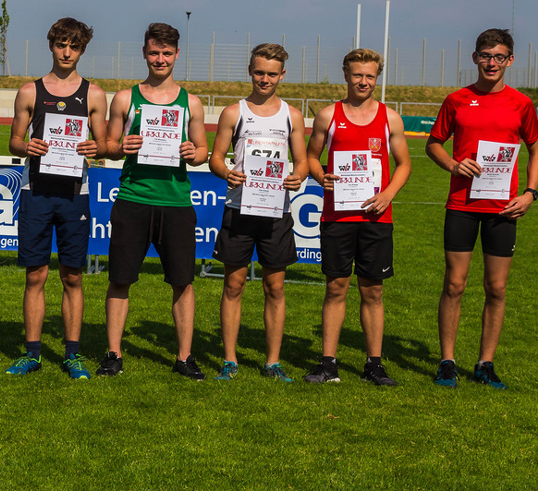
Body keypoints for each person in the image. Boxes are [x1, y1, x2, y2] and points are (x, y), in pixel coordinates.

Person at [425, 28, 538, 389]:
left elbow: (535, 148)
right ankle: (447, 361)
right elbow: (434, 144)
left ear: (510, 60)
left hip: (503, 209)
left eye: (499, 56)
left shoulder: (521, 104)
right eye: (486, 55)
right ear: (475, 58)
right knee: (454, 284)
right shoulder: (457, 100)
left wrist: (531, 193)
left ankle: (485, 364)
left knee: (497, 288)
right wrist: (453, 165)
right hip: (462, 205)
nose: (492, 62)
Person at [96, 23, 210, 379]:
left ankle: (184, 357)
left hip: (176, 203)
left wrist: (193, 153)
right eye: (154, 52)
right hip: (134, 198)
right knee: (120, 279)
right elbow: (107, 146)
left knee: (183, 282)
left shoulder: (191, 102)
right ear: (145, 53)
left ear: (177, 55)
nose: (160, 59)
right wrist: (121, 147)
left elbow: (203, 151)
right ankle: (113, 354)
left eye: (167, 53)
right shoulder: (125, 98)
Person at [4, 18, 108, 379]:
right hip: (36, 191)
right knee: (35, 275)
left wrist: (96, 148)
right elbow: (14, 140)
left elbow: (104, 144)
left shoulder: (94, 94)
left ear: (82, 50)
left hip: (74, 194)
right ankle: (32, 353)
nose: (67, 53)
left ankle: (72, 354)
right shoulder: (29, 91)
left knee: (73, 276)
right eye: (61, 45)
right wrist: (26, 146)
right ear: (51, 45)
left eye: (74, 47)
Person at [303, 49, 411, 386]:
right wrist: (320, 176)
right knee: (336, 287)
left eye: (370, 76)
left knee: (373, 291)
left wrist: (388, 194)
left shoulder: (390, 118)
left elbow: (404, 164)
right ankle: (328, 364)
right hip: (337, 216)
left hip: (376, 218)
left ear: (377, 77)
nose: (363, 81)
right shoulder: (328, 116)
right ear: (346, 75)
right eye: (357, 75)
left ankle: (374, 365)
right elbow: (311, 156)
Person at [209, 43, 307, 382]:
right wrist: (227, 172)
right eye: (259, 72)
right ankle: (230, 360)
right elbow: (216, 158)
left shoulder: (292, 115)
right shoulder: (233, 113)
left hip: (276, 211)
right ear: (250, 72)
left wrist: (298, 176)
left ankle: (272, 362)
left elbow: (303, 160)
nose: (265, 79)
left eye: (272, 74)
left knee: (275, 287)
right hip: (239, 209)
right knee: (233, 285)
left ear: (282, 75)